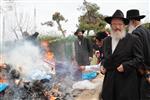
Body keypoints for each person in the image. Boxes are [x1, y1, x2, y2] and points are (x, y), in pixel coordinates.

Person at [100, 9, 143, 100]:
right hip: (110, 84)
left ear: (124, 25)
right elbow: (104, 58)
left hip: (126, 85)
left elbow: (139, 59)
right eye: (114, 24)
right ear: (111, 25)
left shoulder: (133, 39)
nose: (117, 27)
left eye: (120, 24)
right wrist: (102, 65)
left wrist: (126, 65)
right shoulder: (106, 41)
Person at [126, 9, 150, 100]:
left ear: (132, 21)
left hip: (143, 73)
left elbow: (139, 56)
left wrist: (144, 71)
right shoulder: (147, 31)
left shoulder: (135, 33)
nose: (127, 26)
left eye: (128, 23)